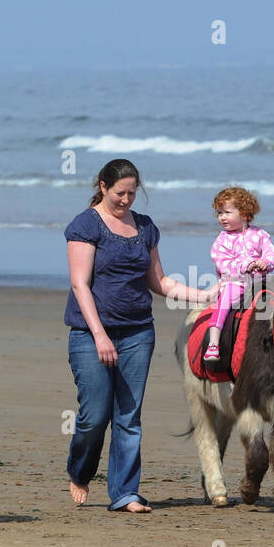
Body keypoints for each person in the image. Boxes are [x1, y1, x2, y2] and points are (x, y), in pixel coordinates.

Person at [64, 159, 215, 513]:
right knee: (94, 416)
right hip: (90, 334)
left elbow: (160, 283)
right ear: (103, 186)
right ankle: (80, 470)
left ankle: (124, 493)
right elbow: (79, 285)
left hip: (137, 333)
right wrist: (100, 335)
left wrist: (207, 294)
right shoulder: (86, 225)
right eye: (120, 193)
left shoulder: (145, 228)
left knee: (128, 417)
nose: (126, 200)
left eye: (132, 193)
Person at [204, 186, 274, 363]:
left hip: (259, 282)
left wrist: (265, 262)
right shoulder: (222, 240)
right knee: (225, 303)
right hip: (235, 283)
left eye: (227, 212)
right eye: (219, 213)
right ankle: (213, 343)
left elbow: (271, 252)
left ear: (244, 213)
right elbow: (222, 263)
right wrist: (245, 265)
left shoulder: (260, 235)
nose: (222, 217)